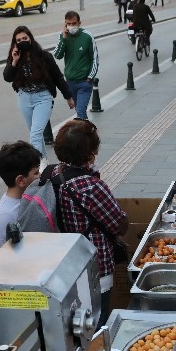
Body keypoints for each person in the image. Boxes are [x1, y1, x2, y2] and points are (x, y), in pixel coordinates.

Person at [40, 119, 128, 324]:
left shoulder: (51, 173)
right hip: (94, 265)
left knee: (73, 323)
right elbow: (119, 225)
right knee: (97, 320)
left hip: (63, 262)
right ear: (90, 154)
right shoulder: (90, 186)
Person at [3, 25, 74, 156]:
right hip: (24, 99)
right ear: (15, 43)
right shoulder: (15, 58)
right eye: (18, 40)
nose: (22, 41)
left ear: (30, 38)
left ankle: (35, 168)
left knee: (35, 135)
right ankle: (43, 165)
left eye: (25, 38)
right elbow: (7, 77)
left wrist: (68, 97)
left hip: (43, 98)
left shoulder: (44, 56)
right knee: (35, 134)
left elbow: (58, 77)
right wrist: (14, 62)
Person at [0, 141, 43, 251]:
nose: (40, 175)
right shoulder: (4, 216)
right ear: (21, 180)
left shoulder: (32, 195)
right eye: (36, 173)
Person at [54, 10, 99, 121]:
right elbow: (57, 55)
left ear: (79, 23)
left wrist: (89, 78)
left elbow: (95, 59)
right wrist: (64, 39)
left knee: (80, 112)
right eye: (68, 24)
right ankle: (88, 132)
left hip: (84, 82)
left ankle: (83, 137)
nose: (71, 26)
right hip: (70, 82)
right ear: (65, 24)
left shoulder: (88, 37)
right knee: (80, 113)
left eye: (74, 23)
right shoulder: (62, 36)